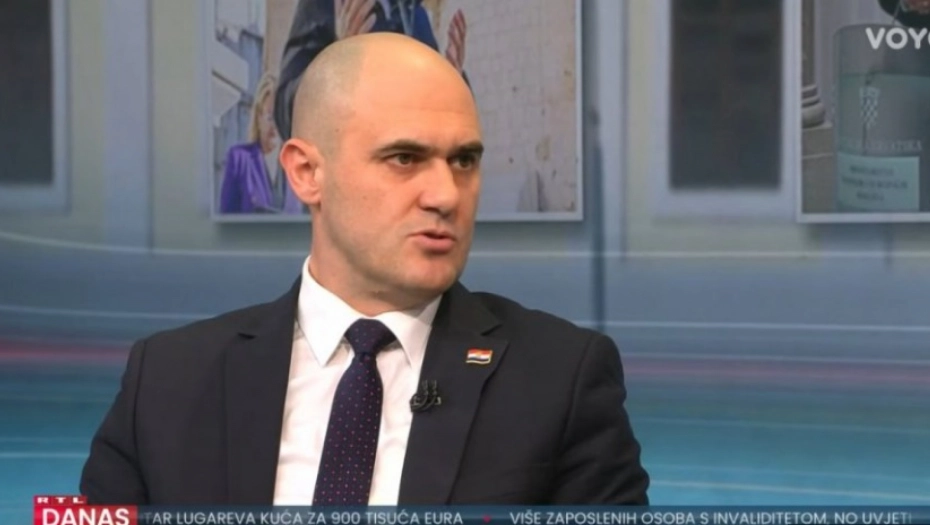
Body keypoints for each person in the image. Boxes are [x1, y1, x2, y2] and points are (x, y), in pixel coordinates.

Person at [79, 33, 649, 505]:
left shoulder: (559, 379)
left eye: (464, 160)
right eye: (404, 158)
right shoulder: (166, 379)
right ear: (306, 173)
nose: (446, 195)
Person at [274, 0, 468, 142]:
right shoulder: (326, 5)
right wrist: (337, 66)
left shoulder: (416, 17)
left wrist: (453, 89)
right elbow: (287, 114)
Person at [218, 72, 303, 214]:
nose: (275, 125)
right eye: (270, 117)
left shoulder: (296, 165)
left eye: (279, 116)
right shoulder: (239, 159)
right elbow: (226, 218)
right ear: (259, 116)